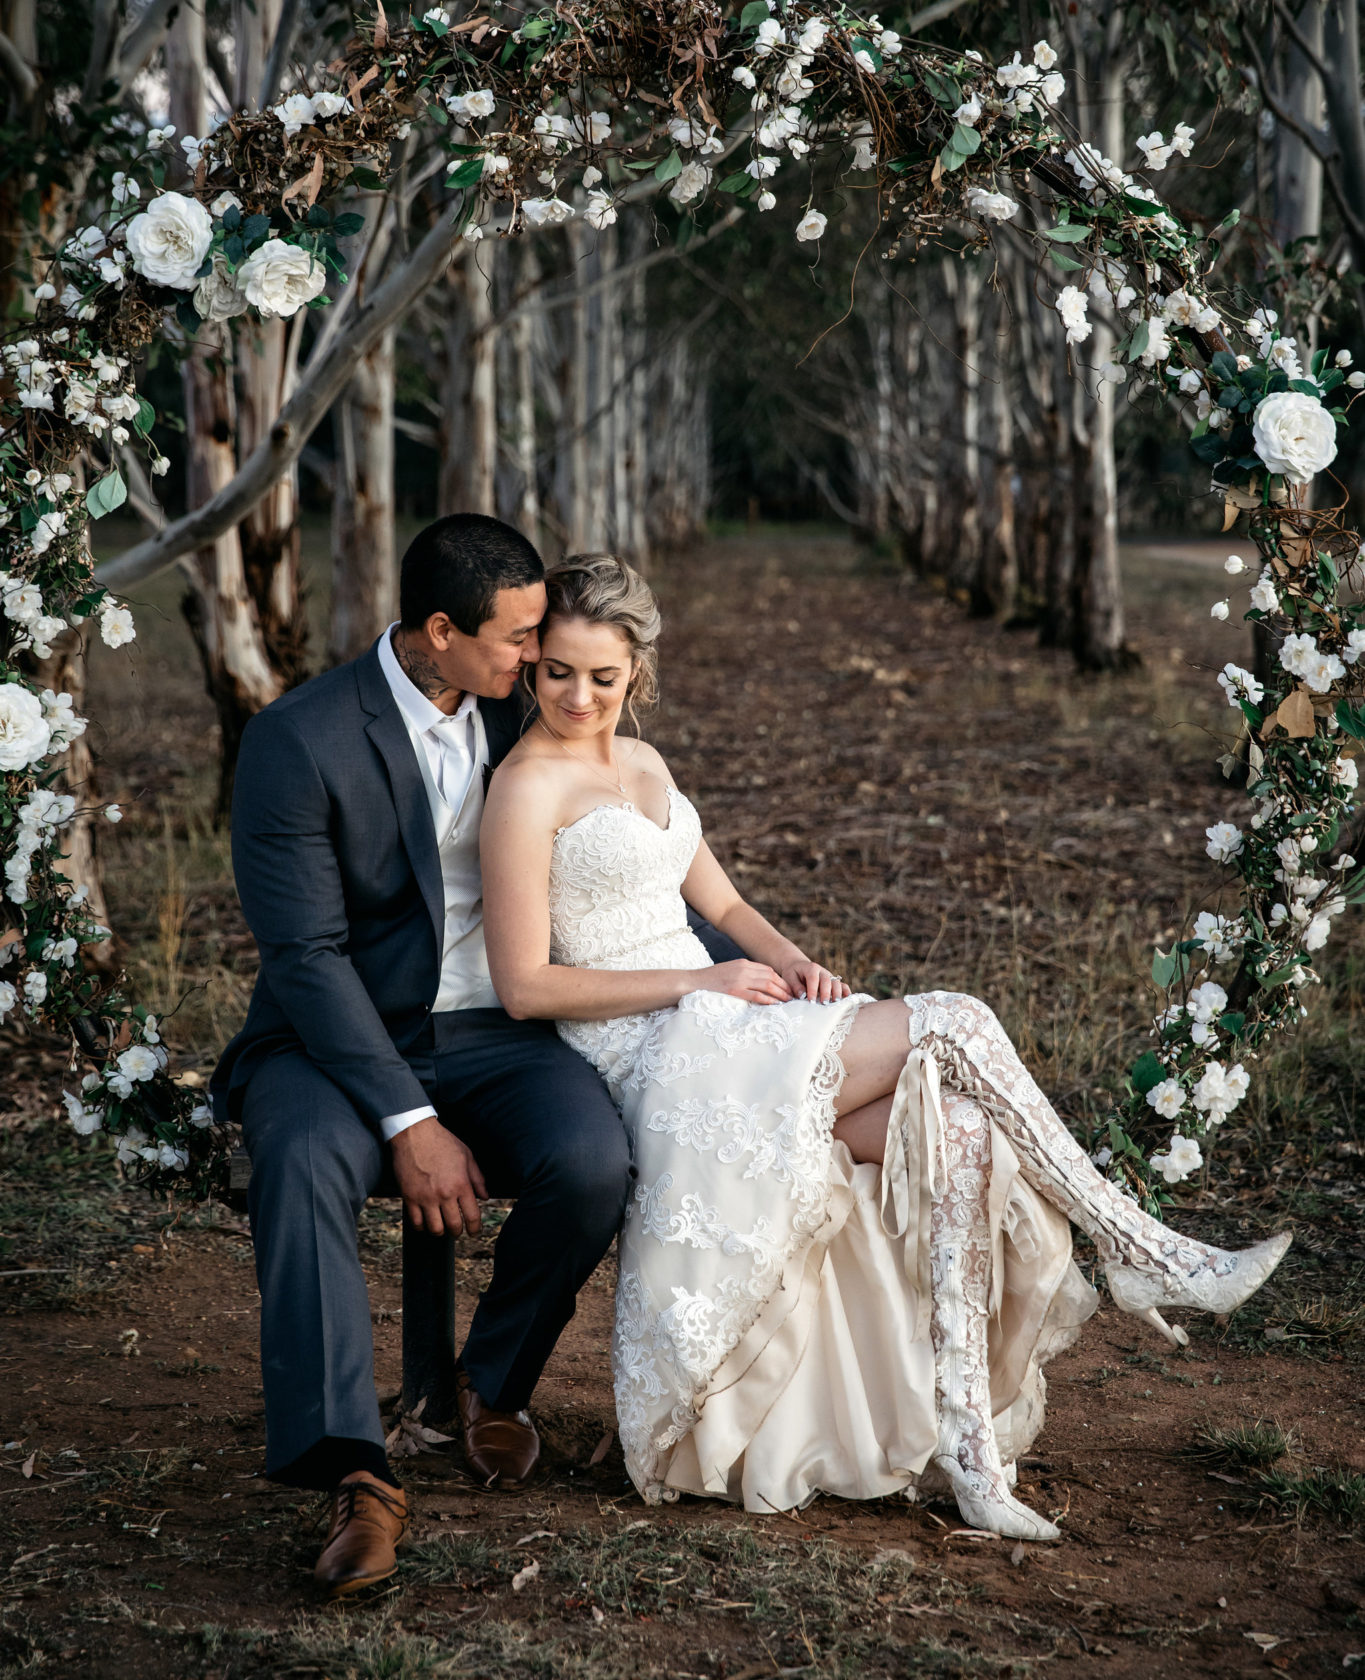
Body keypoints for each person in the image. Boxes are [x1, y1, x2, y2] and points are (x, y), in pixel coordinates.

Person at [480, 553, 1292, 1541]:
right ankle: (1137, 1246)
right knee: (956, 1015)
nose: (577, 694)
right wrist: (701, 977)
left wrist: (796, 964)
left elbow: (723, 903)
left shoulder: (644, 764)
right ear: (533, 666)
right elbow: (527, 983)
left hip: (729, 1018)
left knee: (956, 1130)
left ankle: (973, 1455)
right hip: (654, 1051)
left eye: (602, 676)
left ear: (636, 673)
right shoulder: (524, 786)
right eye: (558, 670)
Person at [215, 516, 654, 1598]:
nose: (538, 659)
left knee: (593, 1158)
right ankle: (356, 1471)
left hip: (497, 1031)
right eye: (517, 639)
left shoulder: (526, 713)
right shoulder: (298, 738)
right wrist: (408, 1119)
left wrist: (767, 977)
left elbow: (639, 861)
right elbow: (306, 957)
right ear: (440, 630)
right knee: (306, 1159)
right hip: (330, 1040)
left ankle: (488, 1383)